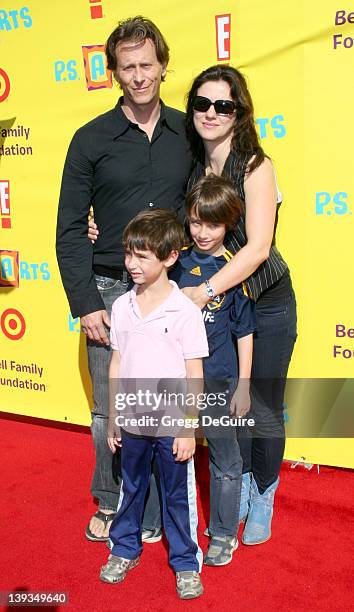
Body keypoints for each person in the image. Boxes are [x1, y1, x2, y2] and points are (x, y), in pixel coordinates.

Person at [56, 16, 192, 542]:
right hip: (110, 290)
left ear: (162, 66)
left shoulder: (188, 131)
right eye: (127, 66)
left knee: (162, 405)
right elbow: (70, 228)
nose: (139, 76)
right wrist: (87, 303)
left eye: (147, 64)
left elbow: (205, 203)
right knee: (109, 410)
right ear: (113, 72)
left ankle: (156, 511)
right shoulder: (89, 139)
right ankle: (113, 502)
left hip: (172, 291)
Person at [182, 65, 297, 545]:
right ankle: (241, 484)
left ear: (239, 112)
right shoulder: (192, 165)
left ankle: (262, 493)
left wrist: (204, 292)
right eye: (203, 104)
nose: (211, 113)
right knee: (230, 407)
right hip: (221, 314)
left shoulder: (255, 166)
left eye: (223, 105)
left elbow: (257, 249)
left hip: (265, 304)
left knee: (263, 406)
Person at [100, 209, 208, 600]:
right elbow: (116, 362)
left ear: (169, 258)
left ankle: (184, 563)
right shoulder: (122, 307)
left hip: (171, 425)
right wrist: (114, 415)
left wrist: (187, 427)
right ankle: (124, 549)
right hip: (131, 419)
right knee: (131, 489)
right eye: (129, 254)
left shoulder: (185, 312)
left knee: (179, 498)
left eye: (142, 256)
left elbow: (194, 372)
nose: (131, 264)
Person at [169, 174, 256, 566]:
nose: (203, 233)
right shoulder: (175, 262)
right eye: (196, 222)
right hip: (176, 381)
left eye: (213, 224)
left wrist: (244, 385)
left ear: (230, 224)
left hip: (220, 380)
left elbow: (245, 331)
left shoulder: (233, 270)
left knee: (226, 459)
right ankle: (163, 522)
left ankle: (222, 533)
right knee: (169, 452)